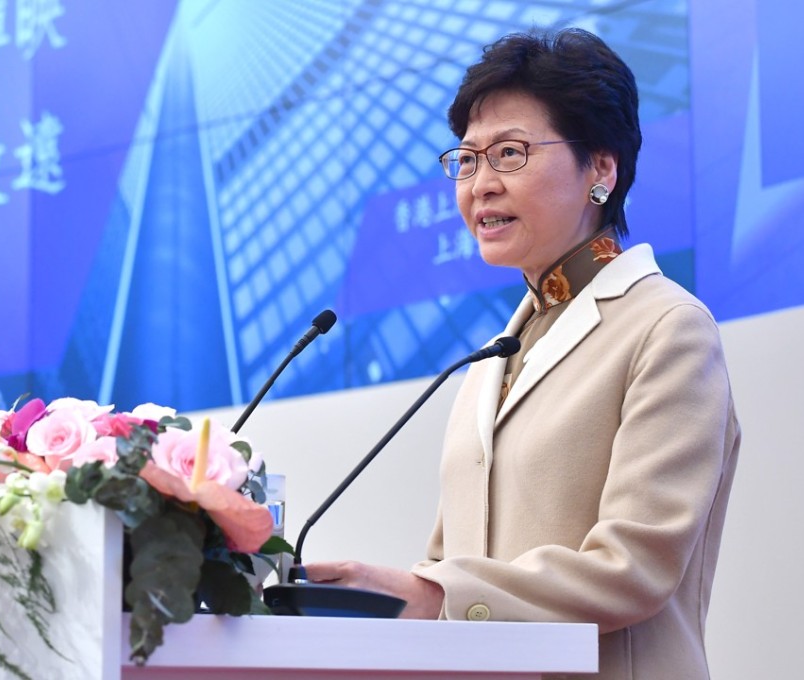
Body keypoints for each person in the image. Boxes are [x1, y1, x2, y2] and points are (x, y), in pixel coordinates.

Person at [305, 27, 740, 680]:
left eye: (509, 154)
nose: (480, 184)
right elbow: (452, 567)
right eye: (468, 159)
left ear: (601, 168)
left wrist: (435, 593)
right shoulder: (488, 361)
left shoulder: (668, 328)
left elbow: (634, 569)